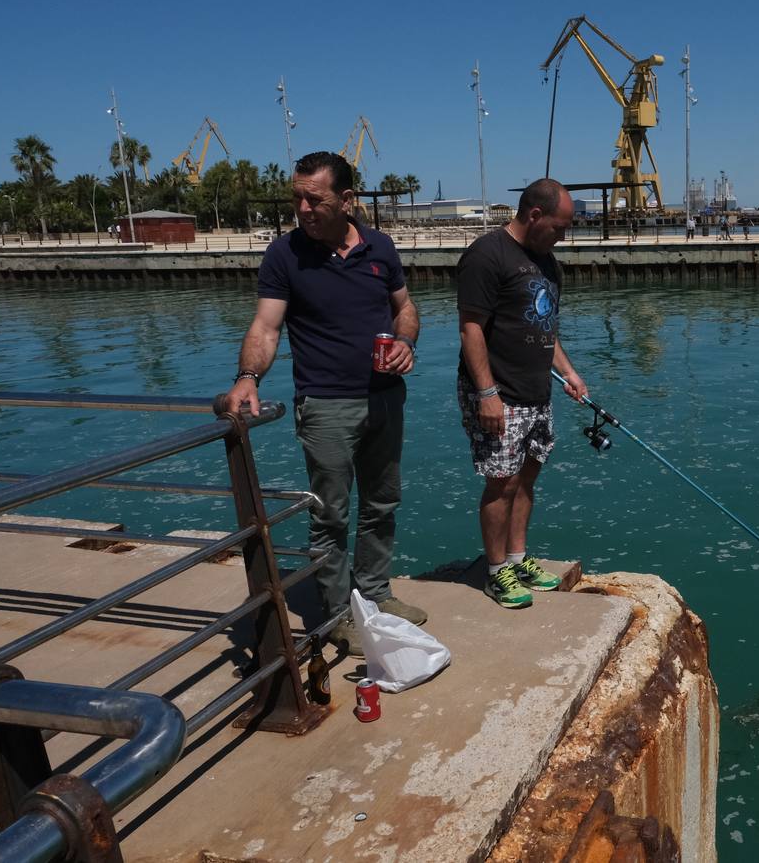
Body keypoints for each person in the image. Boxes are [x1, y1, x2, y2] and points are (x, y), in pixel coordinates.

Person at [224, 151, 425, 656]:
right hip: (326, 404)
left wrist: (406, 342)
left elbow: (405, 308)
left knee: (383, 504)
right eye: (298, 198)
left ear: (347, 200)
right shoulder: (285, 254)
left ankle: (375, 592)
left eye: (314, 199)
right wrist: (247, 377)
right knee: (330, 515)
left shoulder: (380, 247)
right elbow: (267, 327)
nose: (303, 208)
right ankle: (338, 615)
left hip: (384, 399)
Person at [456, 178, 588, 610]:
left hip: (537, 391)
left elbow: (545, 328)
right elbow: (471, 328)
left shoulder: (548, 262)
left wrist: (568, 372)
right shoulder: (487, 255)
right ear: (534, 215)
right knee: (501, 482)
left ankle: (518, 557)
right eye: (559, 227)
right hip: (499, 391)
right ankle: (496, 573)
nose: (563, 236)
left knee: (527, 475)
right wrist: (487, 394)